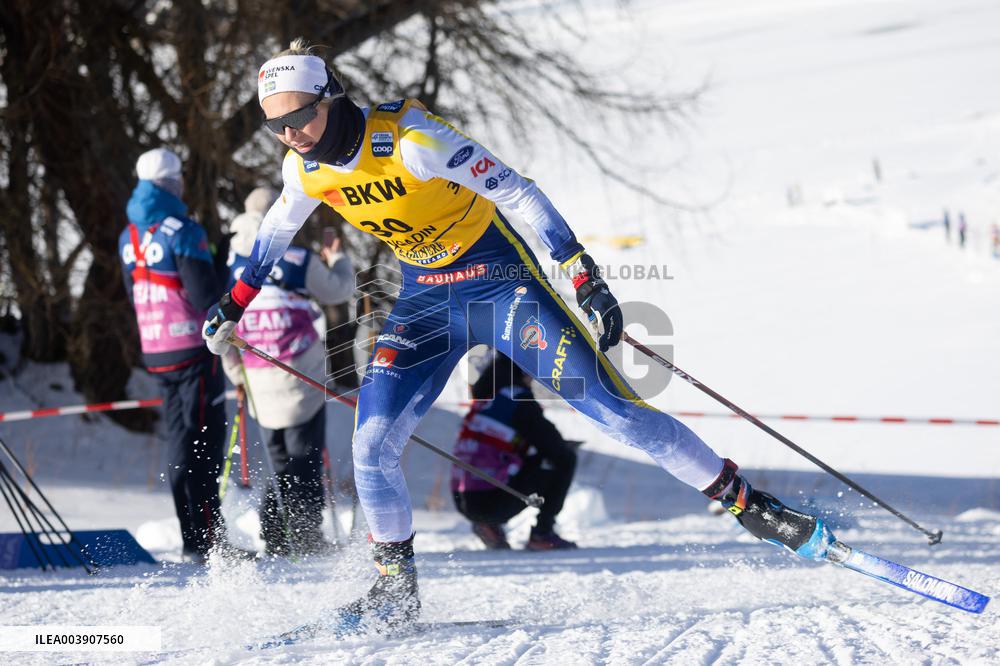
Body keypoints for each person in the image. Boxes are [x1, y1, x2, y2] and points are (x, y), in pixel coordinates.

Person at [203, 39, 835, 631]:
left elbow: (518, 191)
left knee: (618, 415)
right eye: (274, 124)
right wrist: (232, 304)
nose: (289, 134)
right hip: (427, 299)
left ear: (330, 96)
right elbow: (273, 237)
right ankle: (395, 587)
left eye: (298, 117)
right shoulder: (302, 169)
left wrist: (581, 272)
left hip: (501, 283)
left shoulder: (412, 140)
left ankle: (747, 503)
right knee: (371, 443)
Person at [119, 147, 249, 563]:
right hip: (193, 349)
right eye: (179, 180)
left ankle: (195, 536)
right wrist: (222, 261)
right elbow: (205, 296)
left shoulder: (129, 234)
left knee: (180, 440)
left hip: (156, 348)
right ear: (170, 183)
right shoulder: (183, 229)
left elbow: (131, 291)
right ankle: (207, 542)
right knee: (202, 443)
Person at [221, 186, 354, 556]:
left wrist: (235, 376)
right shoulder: (296, 256)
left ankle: (277, 531)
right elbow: (338, 291)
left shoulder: (231, 263)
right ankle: (305, 535)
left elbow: (223, 324)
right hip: (300, 374)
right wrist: (338, 258)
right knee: (306, 457)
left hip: (256, 373)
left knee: (281, 459)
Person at [452, 352, 578, 551]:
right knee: (565, 458)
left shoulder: (485, 400)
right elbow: (553, 446)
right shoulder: (517, 398)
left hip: (462, 499)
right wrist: (564, 446)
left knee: (512, 457)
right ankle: (542, 533)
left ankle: (488, 525)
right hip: (489, 502)